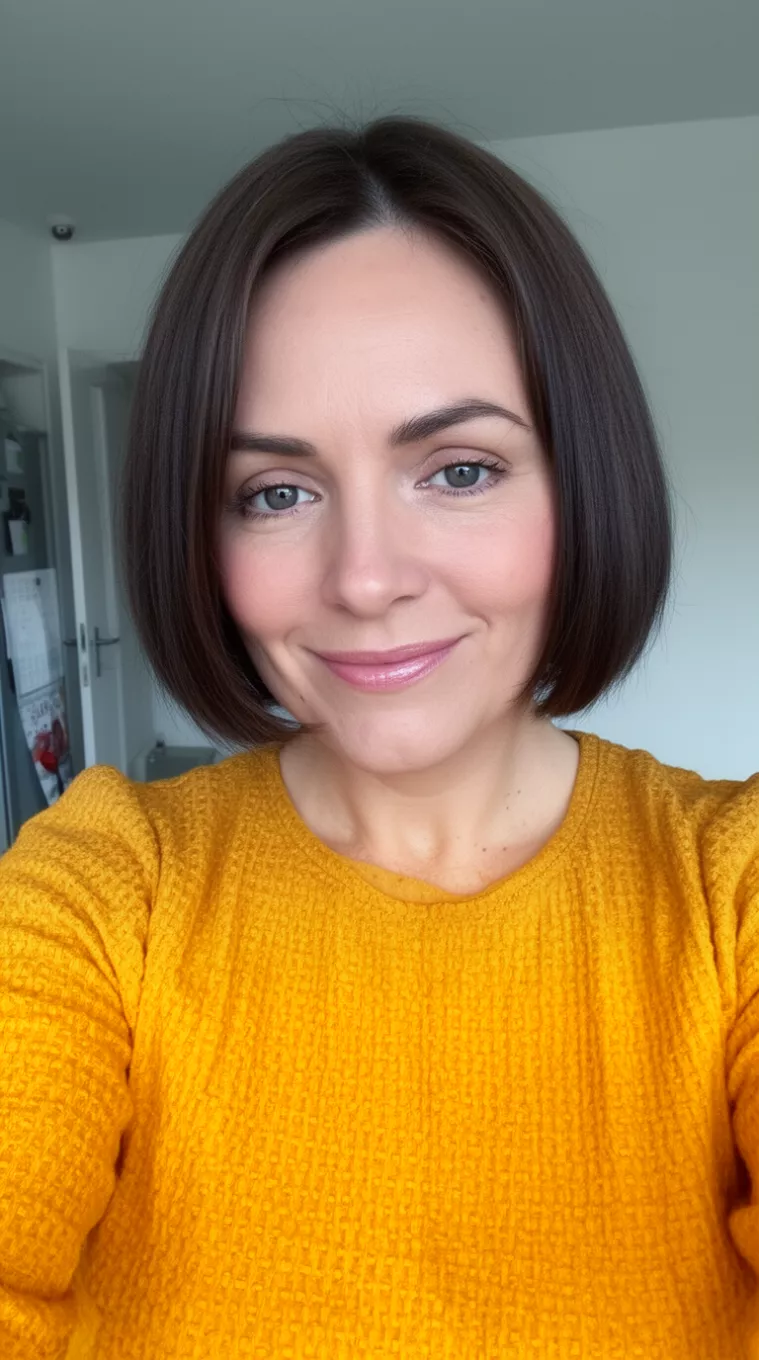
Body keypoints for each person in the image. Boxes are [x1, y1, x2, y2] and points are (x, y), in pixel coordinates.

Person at [0, 116, 757, 1360]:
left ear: (583, 481)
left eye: (458, 469)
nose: (363, 578)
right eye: (276, 493)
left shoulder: (730, 891)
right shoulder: (107, 889)